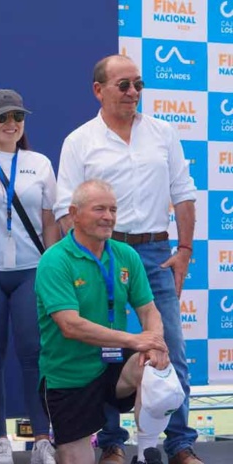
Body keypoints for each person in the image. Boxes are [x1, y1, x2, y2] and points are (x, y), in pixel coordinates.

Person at [53, 55, 199, 464]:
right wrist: (84, 261)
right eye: (123, 85)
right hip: (102, 253)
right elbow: (67, 207)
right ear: (99, 90)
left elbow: (183, 192)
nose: (133, 92)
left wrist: (184, 250)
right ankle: (112, 443)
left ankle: (180, 444)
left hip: (154, 251)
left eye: (138, 84)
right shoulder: (79, 140)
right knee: (105, 353)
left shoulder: (163, 132)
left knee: (169, 347)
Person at [36, 180, 174, 464]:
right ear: (74, 213)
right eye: (99, 209)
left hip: (111, 365)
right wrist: (135, 340)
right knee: (76, 458)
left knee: (156, 369)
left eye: (113, 209)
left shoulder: (125, 254)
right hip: (69, 373)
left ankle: (146, 453)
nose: (109, 216)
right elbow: (70, 325)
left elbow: (149, 310)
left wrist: (155, 342)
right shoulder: (55, 260)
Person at [0, 89, 59, 464]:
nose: (11, 124)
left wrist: (54, 266)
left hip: (30, 273)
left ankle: (41, 439)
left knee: (34, 356)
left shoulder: (39, 163)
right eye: (2, 117)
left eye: (17, 117)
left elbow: (50, 221)